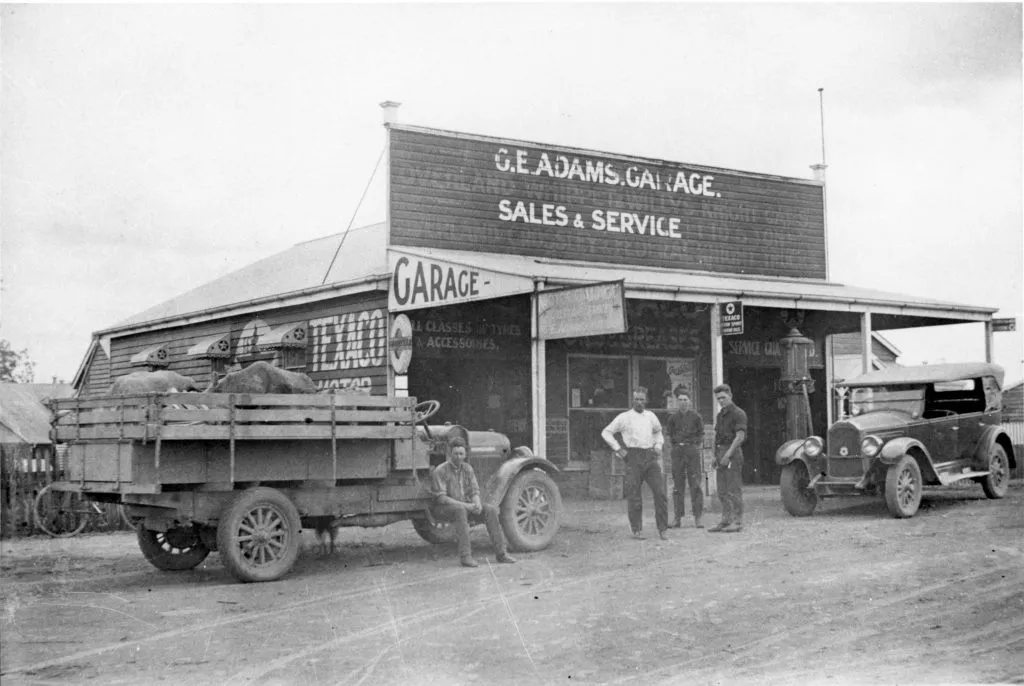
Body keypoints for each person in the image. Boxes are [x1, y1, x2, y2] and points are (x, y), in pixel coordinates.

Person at [429, 438, 517, 567]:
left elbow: (474, 491)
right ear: (450, 453)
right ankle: (466, 556)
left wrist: (477, 503)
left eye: (461, 454)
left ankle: (502, 554)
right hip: (443, 509)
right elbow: (441, 499)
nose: (458, 457)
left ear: (465, 454)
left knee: (490, 510)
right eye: (455, 454)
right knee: (460, 510)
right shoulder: (441, 470)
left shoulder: (467, 469)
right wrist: (467, 506)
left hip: (464, 506)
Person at [601, 387, 669, 540]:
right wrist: (618, 449)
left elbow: (658, 431)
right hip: (632, 457)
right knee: (634, 495)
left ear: (646, 400)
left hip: (650, 456)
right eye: (636, 399)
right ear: (632, 400)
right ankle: (637, 530)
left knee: (660, 493)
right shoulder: (624, 417)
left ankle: (663, 529)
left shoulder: (651, 416)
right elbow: (606, 432)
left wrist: (658, 445)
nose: (639, 402)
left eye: (642, 399)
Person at [708, 384, 748, 533]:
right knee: (722, 491)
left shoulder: (739, 413)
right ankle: (726, 520)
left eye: (723, 397)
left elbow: (740, 437)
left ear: (730, 396)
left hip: (732, 453)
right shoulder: (720, 415)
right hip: (720, 452)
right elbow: (716, 436)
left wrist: (727, 455)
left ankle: (737, 522)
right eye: (718, 398)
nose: (721, 401)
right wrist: (714, 455)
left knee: (733, 489)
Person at [665, 387, 705, 529]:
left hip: (692, 450)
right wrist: (676, 447)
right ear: (677, 401)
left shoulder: (696, 417)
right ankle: (677, 518)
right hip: (678, 452)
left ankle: (698, 517)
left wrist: (695, 446)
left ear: (690, 401)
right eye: (680, 400)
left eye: (685, 399)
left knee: (696, 484)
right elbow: (669, 436)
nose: (683, 402)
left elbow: (701, 434)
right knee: (678, 485)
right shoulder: (672, 418)